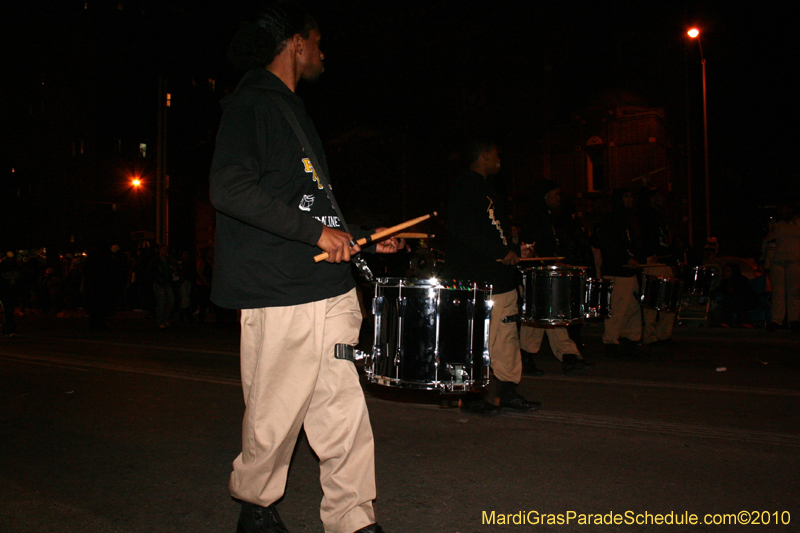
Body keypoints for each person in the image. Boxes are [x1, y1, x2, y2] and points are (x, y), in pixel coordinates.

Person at [209, 3, 397, 532]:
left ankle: (352, 519)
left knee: (341, 406)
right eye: (317, 41)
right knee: (276, 413)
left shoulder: (294, 112)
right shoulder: (249, 104)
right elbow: (229, 188)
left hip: (328, 286)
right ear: (296, 43)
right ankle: (256, 509)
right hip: (279, 286)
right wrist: (318, 234)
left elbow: (310, 204)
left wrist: (358, 236)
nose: (322, 52)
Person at [445, 140, 541, 412]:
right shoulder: (464, 186)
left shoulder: (490, 189)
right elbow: (464, 231)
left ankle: (508, 391)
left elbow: (497, 229)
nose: (500, 159)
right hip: (475, 278)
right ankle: (469, 395)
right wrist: (498, 251)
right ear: (483, 155)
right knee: (475, 339)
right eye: (496, 154)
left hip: (500, 280)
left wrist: (512, 249)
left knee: (507, 337)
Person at [519, 179, 595, 374]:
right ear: (545, 197)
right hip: (539, 277)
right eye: (555, 195)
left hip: (546, 275)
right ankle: (525, 356)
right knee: (540, 318)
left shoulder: (545, 217)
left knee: (552, 317)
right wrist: (549, 263)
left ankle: (568, 356)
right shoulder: (535, 218)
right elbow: (531, 248)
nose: (558, 199)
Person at [598, 188, 642, 357]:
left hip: (628, 271)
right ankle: (611, 341)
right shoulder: (612, 219)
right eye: (626, 196)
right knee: (617, 308)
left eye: (631, 196)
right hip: (617, 271)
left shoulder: (627, 219)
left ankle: (630, 338)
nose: (630, 199)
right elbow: (609, 245)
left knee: (633, 306)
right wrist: (625, 259)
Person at [637, 188, 677, 346]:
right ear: (652, 200)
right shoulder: (646, 216)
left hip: (664, 260)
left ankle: (664, 333)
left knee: (668, 300)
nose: (663, 199)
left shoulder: (661, 217)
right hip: (653, 261)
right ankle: (650, 335)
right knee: (653, 301)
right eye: (659, 196)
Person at [764, 202, 800, 331]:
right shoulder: (775, 225)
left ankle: (794, 319)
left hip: (795, 261)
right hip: (777, 261)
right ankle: (777, 320)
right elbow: (769, 244)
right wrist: (767, 262)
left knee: (794, 292)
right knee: (778, 293)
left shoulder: (798, 224)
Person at [0, 251, 22, 337]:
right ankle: (9, 329)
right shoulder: (17, 266)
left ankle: (7, 330)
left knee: (7, 311)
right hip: (11, 291)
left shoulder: (2, 266)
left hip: (5, 291)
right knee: (9, 311)